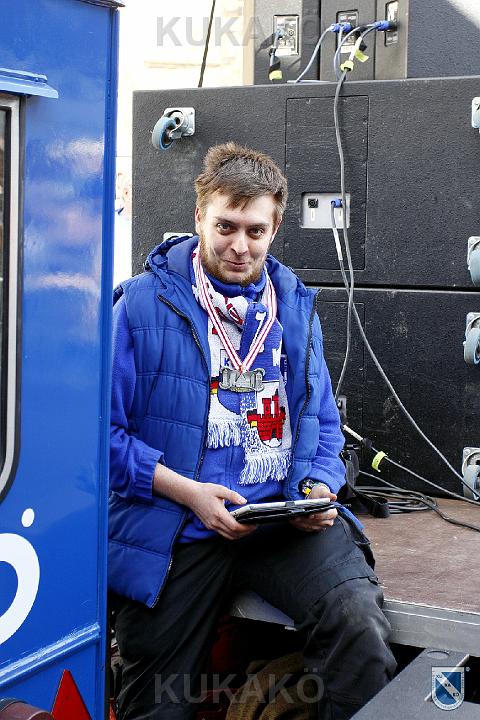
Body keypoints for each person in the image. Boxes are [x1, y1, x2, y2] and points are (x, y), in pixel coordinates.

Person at [109, 143, 396, 720]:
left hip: (279, 523)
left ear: (275, 228)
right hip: (180, 528)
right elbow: (100, 438)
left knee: (357, 624)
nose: (240, 246)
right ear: (199, 217)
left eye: (255, 231)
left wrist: (317, 488)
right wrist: (188, 493)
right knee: (156, 704)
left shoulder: (294, 305)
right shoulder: (139, 306)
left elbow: (323, 422)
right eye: (226, 227)